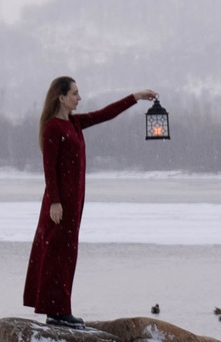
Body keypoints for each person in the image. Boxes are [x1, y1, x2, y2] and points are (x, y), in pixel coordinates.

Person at [23, 75, 154, 327]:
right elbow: (49, 168)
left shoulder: (74, 123)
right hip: (59, 205)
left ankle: (61, 309)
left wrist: (135, 97)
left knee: (68, 255)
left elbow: (106, 113)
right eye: (74, 93)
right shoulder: (53, 128)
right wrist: (55, 203)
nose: (79, 98)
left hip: (74, 203)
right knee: (56, 255)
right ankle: (56, 311)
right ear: (61, 97)